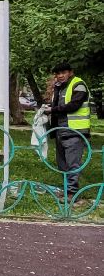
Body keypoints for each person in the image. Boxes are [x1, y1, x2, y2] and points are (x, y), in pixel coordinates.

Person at [46, 63, 91, 196]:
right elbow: (58, 105)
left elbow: (73, 105)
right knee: (62, 164)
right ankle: (67, 190)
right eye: (57, 73)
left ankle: (73, 194)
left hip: (75, 132)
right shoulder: (59, 88)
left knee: (73, 164)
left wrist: (52, 110)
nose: (60, 76)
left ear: (70, 72)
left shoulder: (79, 85)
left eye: (63, 72)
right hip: (61, 130)